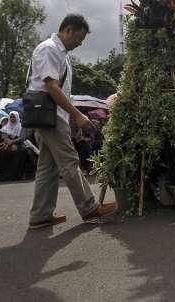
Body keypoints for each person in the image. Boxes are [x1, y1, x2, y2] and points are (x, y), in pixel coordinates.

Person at [26, 14, 116, 229]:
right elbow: (51, 86)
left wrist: (70, 118)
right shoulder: (49, 49)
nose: (80, 43)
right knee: (69, 161)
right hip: (50, 115)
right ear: (67, 30)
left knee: (47, 168)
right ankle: (89, 207)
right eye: (78, 38)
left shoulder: (60, 53)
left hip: (52, 115)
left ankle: (40, 215)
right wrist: (76, 115)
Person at [0, 111, 28, 181]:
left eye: (14, 117)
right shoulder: (6, 126)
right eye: (11, 117)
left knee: (22, 151)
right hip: (7, 143)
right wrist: (8, 142)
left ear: (17, 117)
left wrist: (13, 142)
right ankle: (3, 176)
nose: (12, 119)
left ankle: (18, 175)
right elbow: (4, 136)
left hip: (19, 143)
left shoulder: (21, 126)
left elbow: (22, 137)